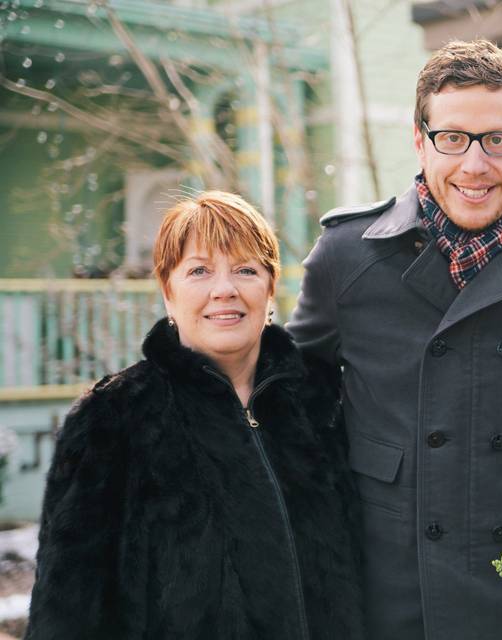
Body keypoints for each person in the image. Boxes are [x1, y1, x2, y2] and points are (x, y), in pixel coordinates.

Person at [287, 39, 502, 639]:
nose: (475, 165)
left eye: (498, 139)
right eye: (453, 138)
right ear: (420, 141)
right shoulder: (347, 256)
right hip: (388, 596)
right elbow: (288, 405)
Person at [25, 192, 363, 639]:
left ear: (270, 288)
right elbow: (65, 609)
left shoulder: (321, 402)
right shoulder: (114, 417)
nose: (224, 289)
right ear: (168, 291)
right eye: (199, 271)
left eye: (245, 269)